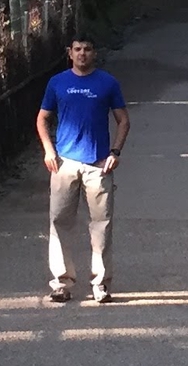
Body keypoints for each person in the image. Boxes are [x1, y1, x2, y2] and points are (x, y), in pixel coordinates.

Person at [37, 37, 128, 303]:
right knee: (59, 222)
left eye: (87, 49)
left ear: (94, 52)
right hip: (64, 163)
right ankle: (62, 283)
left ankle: (100, 283)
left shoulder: (107, 83)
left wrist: (115, 152)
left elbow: (123, 120)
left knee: (101, 225)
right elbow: (43, 117)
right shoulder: (58, 82)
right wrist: (48, 149)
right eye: (77, 49)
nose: (82, 54)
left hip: (98, 166)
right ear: (70, 53)